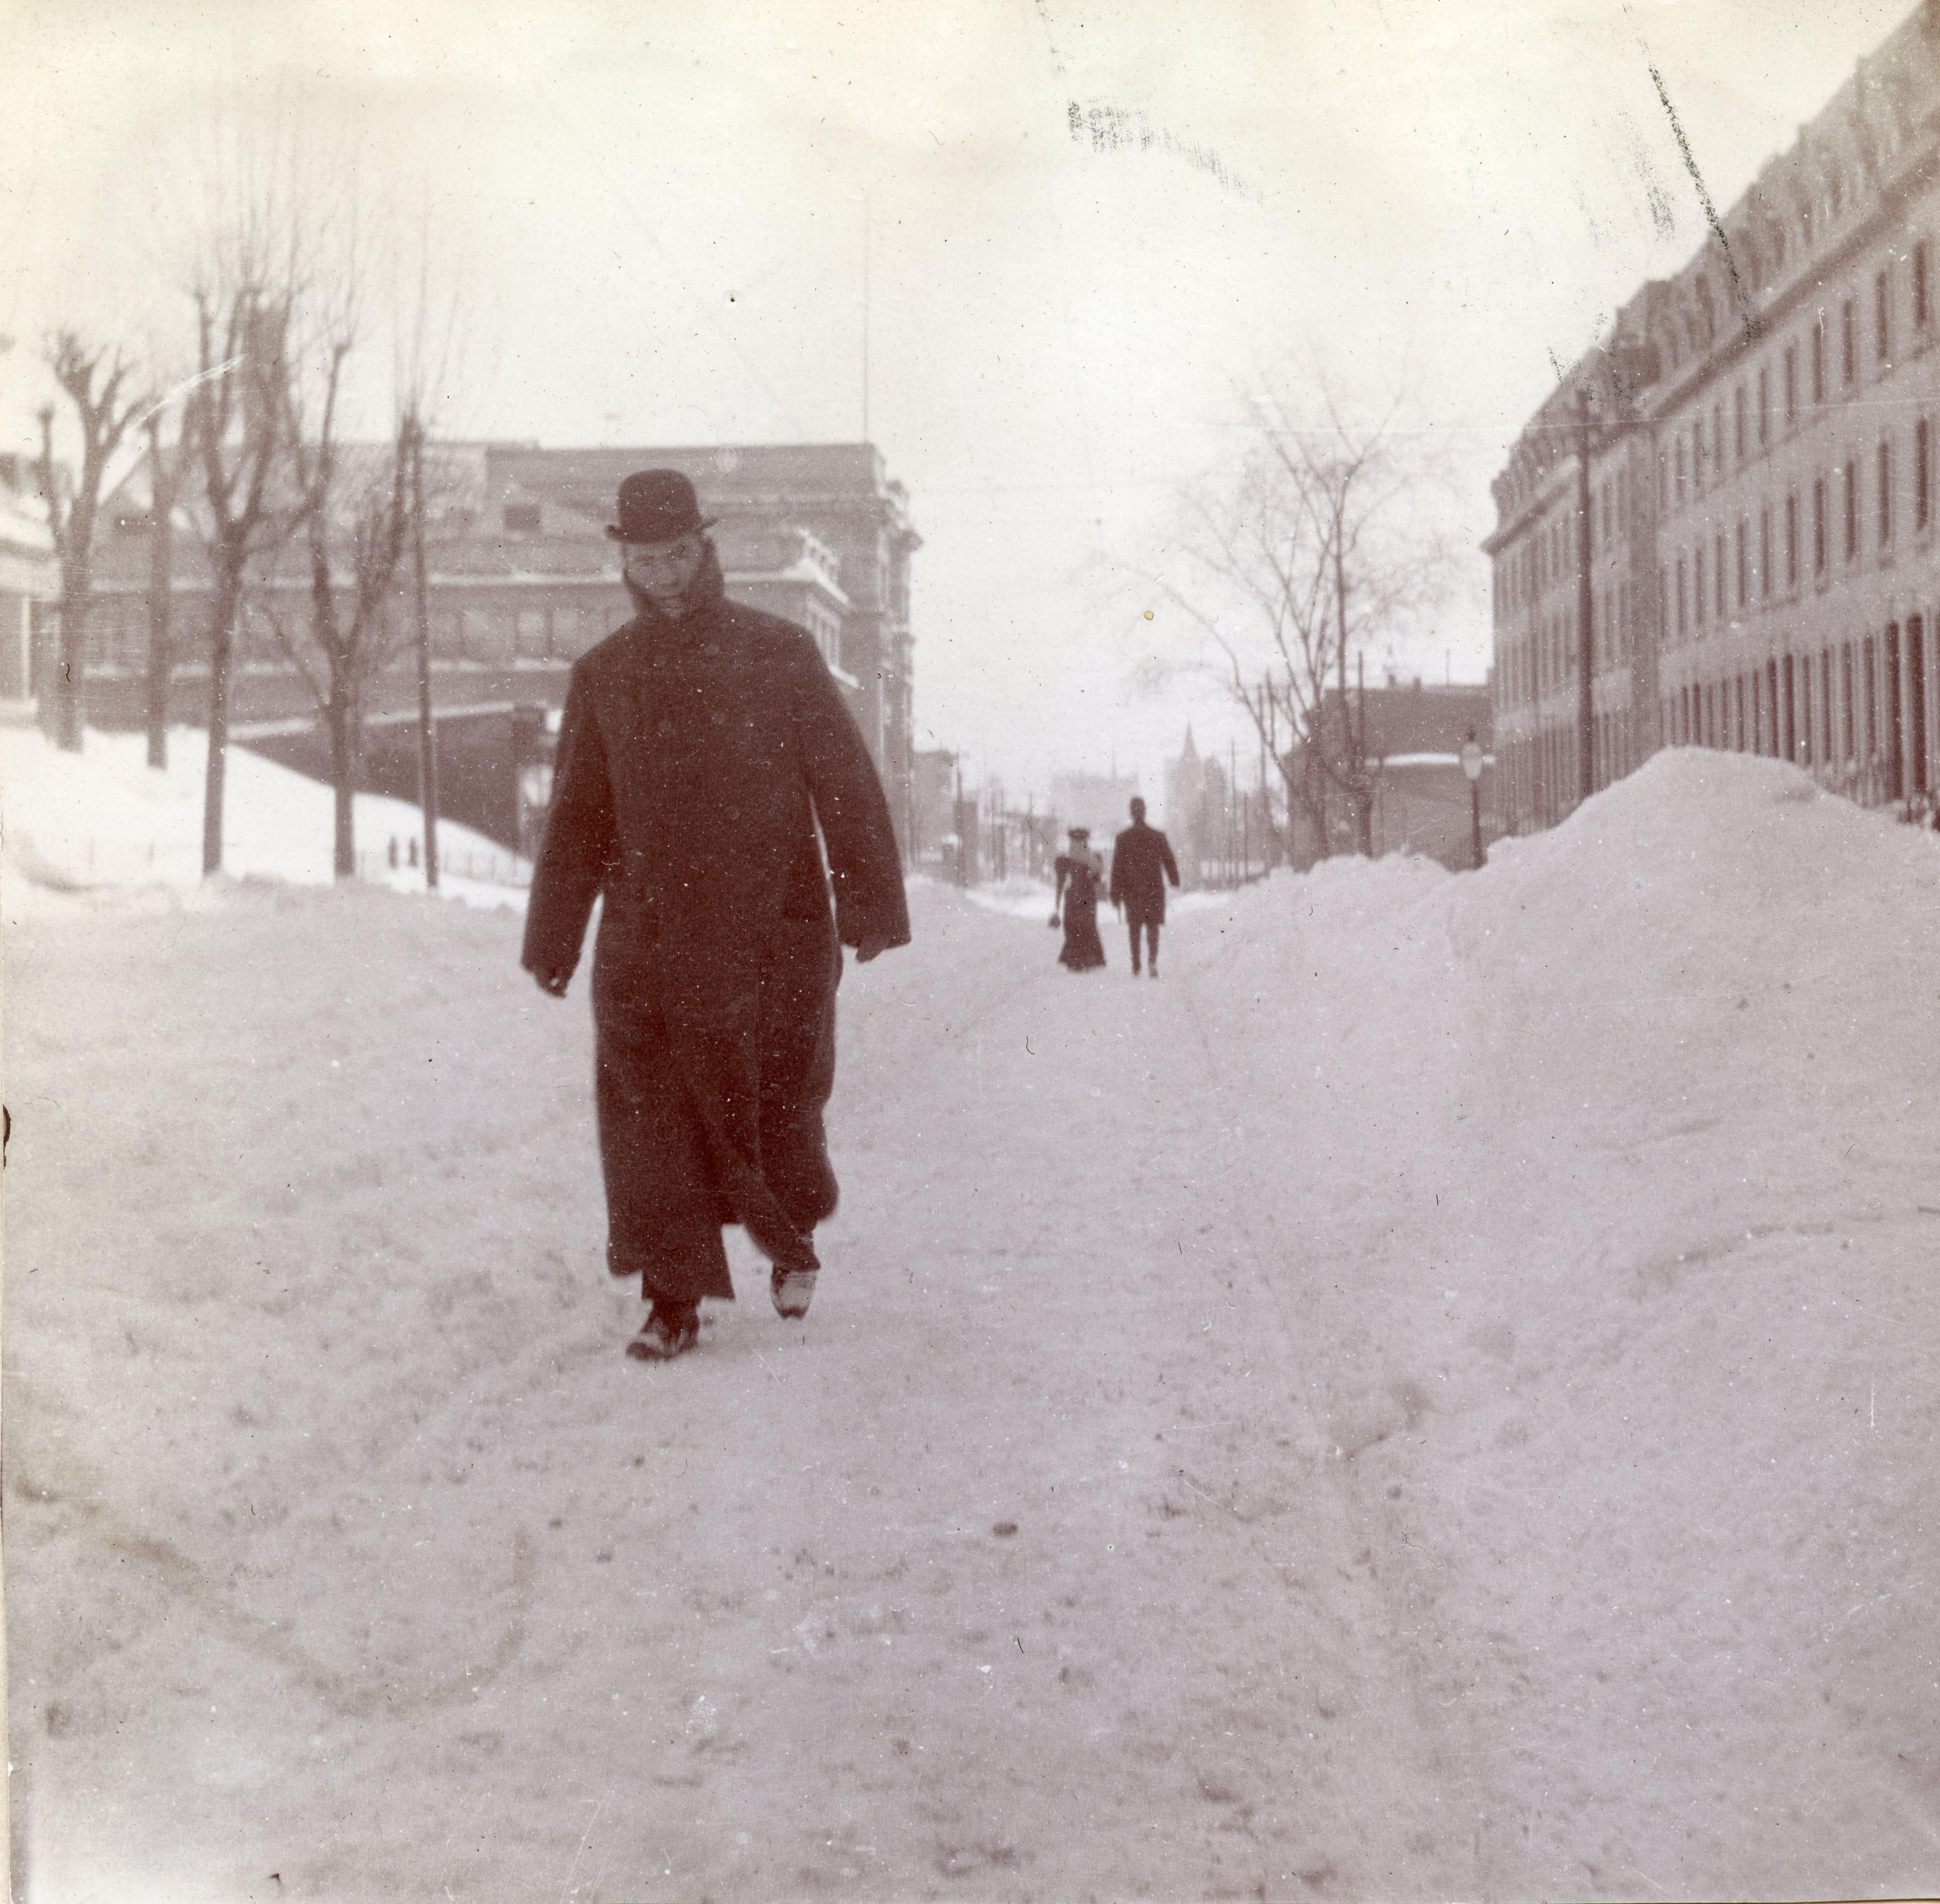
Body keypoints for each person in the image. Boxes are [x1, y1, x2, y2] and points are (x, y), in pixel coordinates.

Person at [521, 470, 910, 1363]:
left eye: (677, 553)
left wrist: (870, 906)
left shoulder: (781, 653)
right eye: (645, 557)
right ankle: (672, 1301)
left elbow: (844, 783)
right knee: (652, 1114)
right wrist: (555, 937)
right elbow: (577, 819)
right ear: (625, 557)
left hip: (769, 931)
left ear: (704, 548)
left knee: (776, 1100)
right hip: (648, 940)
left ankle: (791, 1239)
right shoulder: (605, 675)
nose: (661, 573)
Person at [1109, 796, 1181, 977]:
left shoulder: (1123, 838)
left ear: (1131, 813)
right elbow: (1169, 860)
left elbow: (1117, 869)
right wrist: (1174, 879)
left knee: (1134, 927)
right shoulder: (1158, 836)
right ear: (1145, 811)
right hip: (1153, 889)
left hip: (1132, 891)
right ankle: (1152, 962)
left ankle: (1136, 964)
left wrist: (1115, 894)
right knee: (1153, 927)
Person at [1052, 826, 1108, 972]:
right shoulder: (1092, 857)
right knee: (1087, 926)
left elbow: (1060, 883)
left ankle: (1075, 959)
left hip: (1072, 898)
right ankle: (1087, 959)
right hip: (1088, 898)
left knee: (1072, 927)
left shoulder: (1064, 859)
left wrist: (1057, 906)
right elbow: (1098, 874)